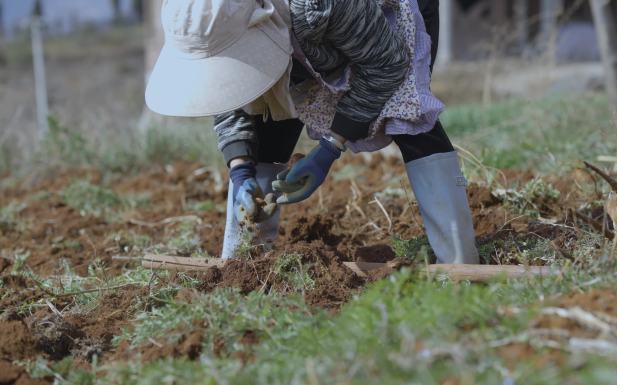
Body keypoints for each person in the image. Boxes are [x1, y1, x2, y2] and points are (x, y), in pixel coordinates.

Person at [145, 0, 478, 264]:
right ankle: (244, 266)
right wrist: (240, 168)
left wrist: (330, 148)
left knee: (407, 113)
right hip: (305, 34)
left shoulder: (319, 7)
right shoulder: (215, 19)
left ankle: (459, 260)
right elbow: (225, 89)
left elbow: (386, 64)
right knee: (266, 123)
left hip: (383, 23)